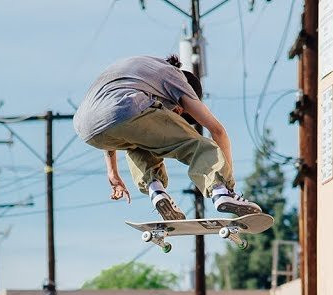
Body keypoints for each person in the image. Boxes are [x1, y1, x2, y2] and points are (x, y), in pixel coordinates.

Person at [73, 54, 262, 222]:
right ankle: (221, 191)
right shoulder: (176, 79)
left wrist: (112, 172)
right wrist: (228, 184)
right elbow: (217, 130)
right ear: (181, 103)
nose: (175, 114)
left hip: (86, 127)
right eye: (178, 112)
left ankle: (156, 190)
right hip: (125, 109)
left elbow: (110, 116)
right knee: (195, 143)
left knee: (137, 141)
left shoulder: (145, 71)